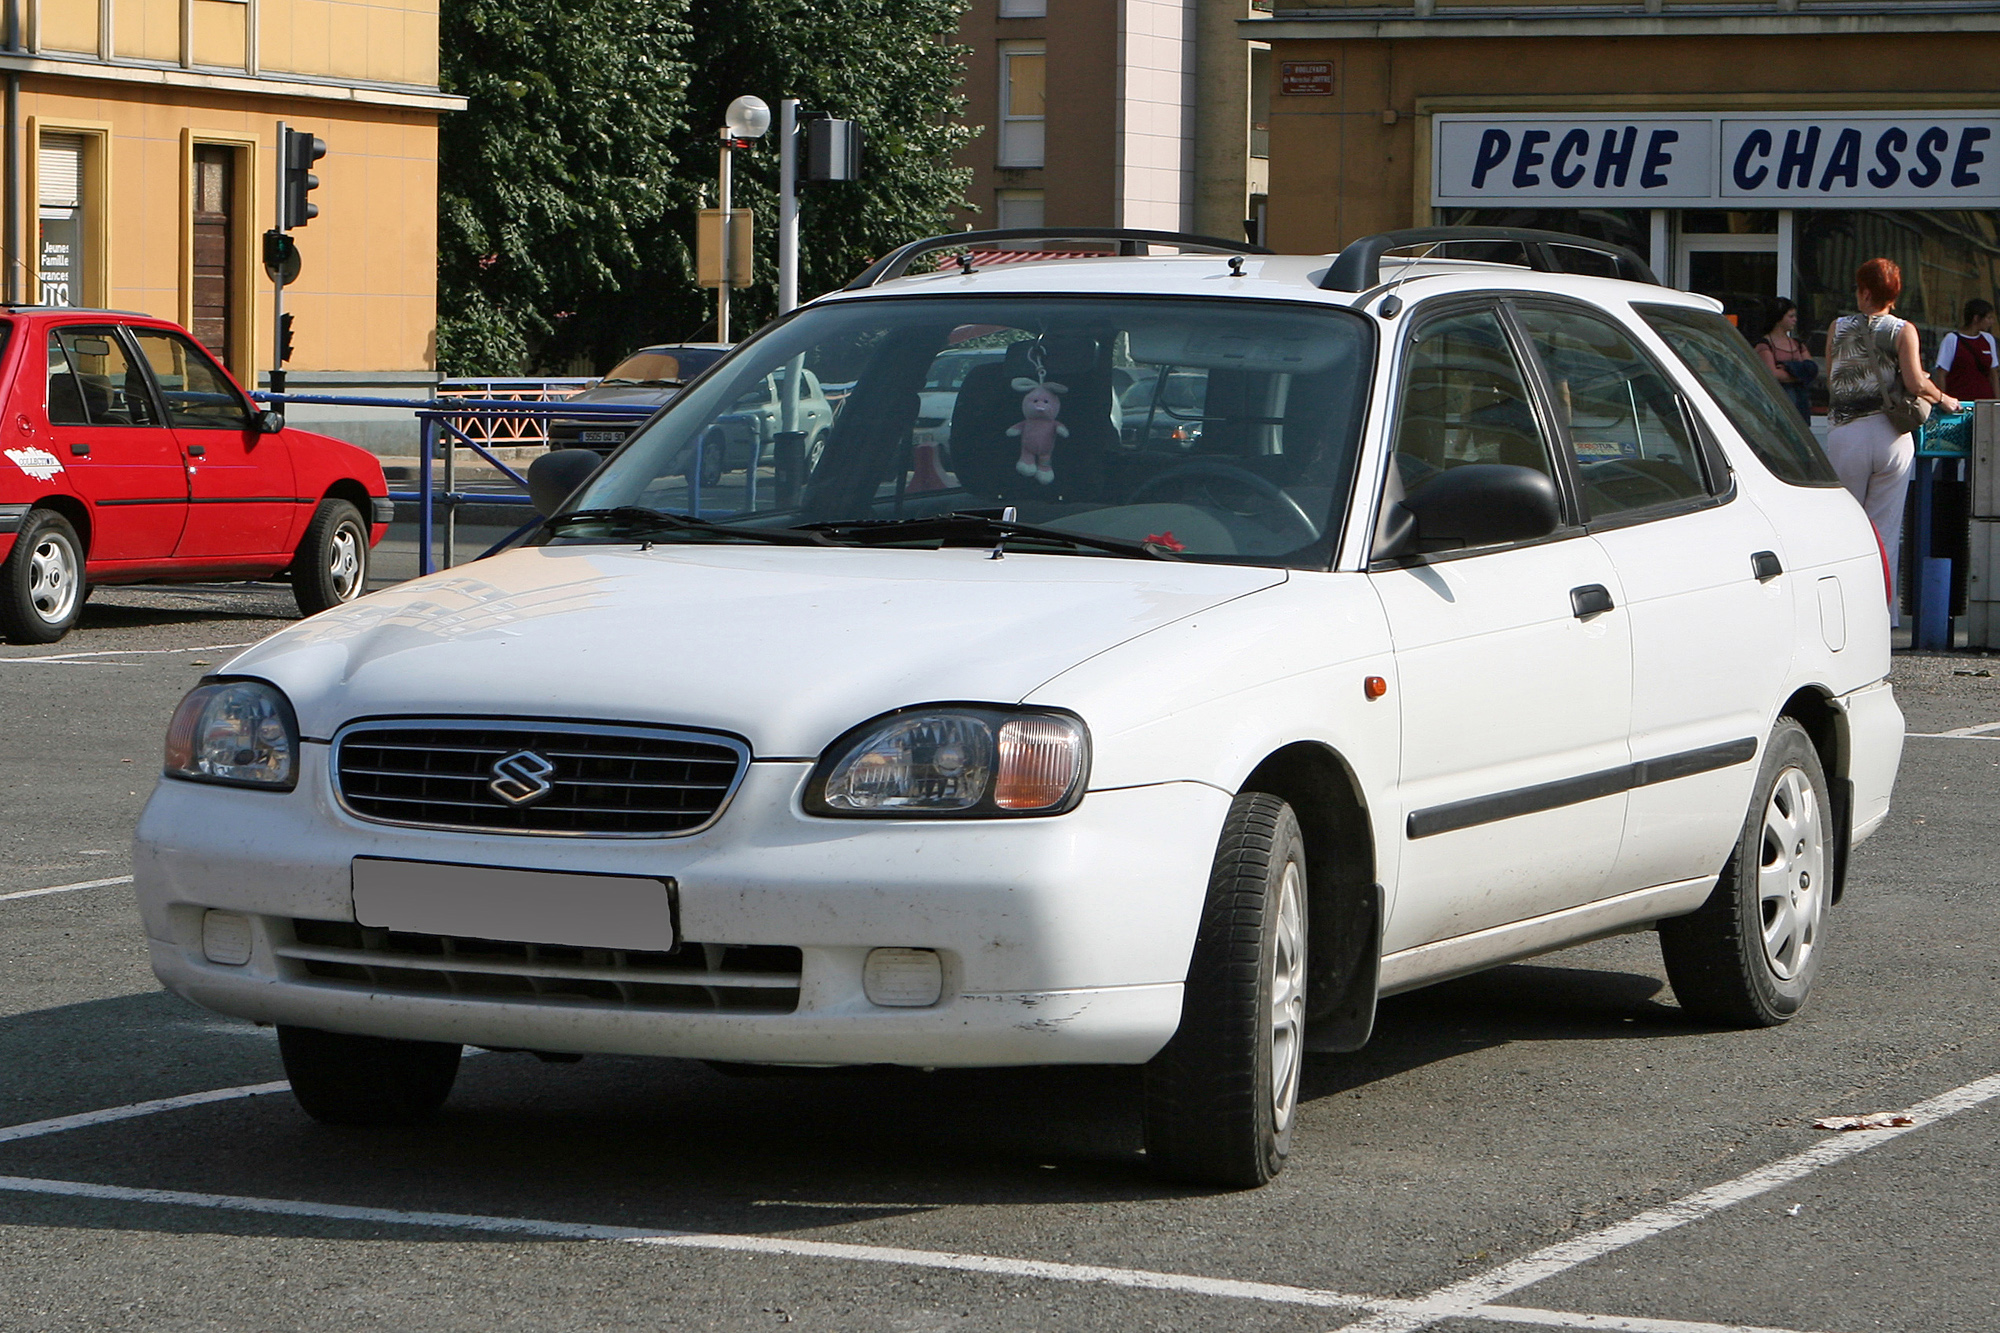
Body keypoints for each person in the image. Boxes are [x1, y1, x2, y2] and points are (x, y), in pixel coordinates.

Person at [1825, 258, 1961, 627]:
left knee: (1846, 528)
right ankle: (1880, 618)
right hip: (1890, 434)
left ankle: (1842, 615)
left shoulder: (1837, 328)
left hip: (1846, 432)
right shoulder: (1903, 330)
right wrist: (1943, 397)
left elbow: (1833, 379)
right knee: (1884, 530)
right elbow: (1916, 383)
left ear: (1865, 292)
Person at [1755, 298, 1817, 421]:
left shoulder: (1798, 344)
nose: (1795, 320)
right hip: (1776, 403)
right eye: (1791, 316)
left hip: (1800, 403)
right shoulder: (1765, 344)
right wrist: (1801, 373)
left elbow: (1812, 368)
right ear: (1779, 318)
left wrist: (1788, 369)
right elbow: (1773, 374)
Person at [1933, 298, 2000, 402]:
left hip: (1985, 402)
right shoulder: (1952, 339)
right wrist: (1943, 401)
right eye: (1989, 318)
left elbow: (1993, 374)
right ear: (1976, 318)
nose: (1992, 322)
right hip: (1959, 402)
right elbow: (1941, 373)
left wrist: (1997, 401)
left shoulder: (1988, 340)